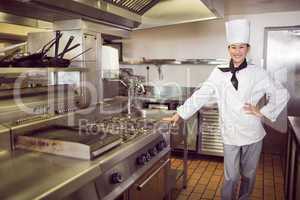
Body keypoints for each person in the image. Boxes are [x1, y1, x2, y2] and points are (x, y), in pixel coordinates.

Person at [163, 19, 290, 200]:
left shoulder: (258, 72)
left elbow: (281, 93)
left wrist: (262, 111)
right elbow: (202, 94)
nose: (237, 51)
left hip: (252, 133)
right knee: (231, 177)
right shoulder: (218, 72)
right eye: (233, 47)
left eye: (241, 47)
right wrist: (180, 113)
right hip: (230, 132)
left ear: (247, 49)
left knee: (249, 174)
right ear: (228, 49)